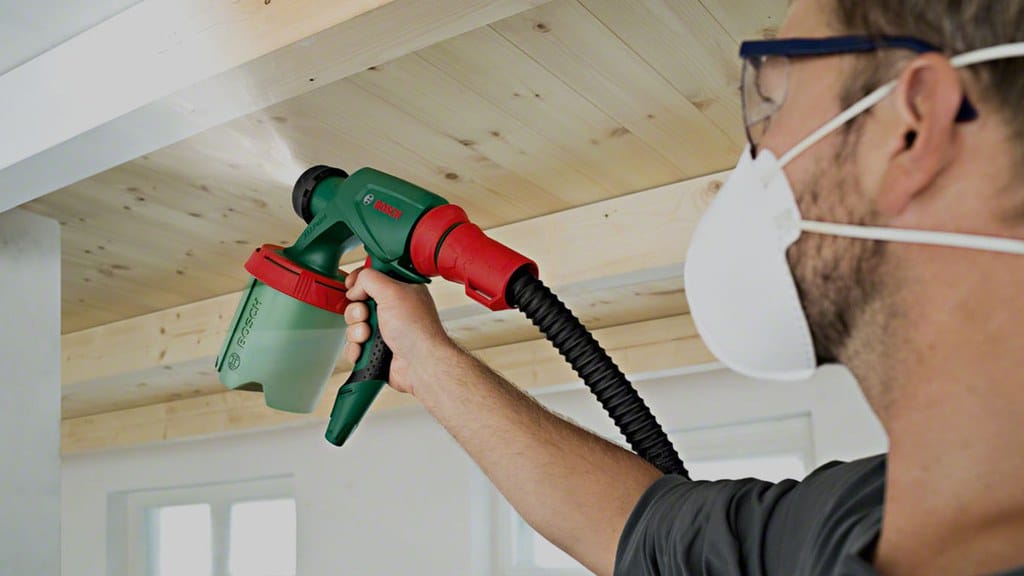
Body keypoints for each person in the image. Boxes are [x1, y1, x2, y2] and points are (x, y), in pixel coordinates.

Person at [341, 0, 1024, 574]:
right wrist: (426, 360)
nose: (756, 150)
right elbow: (633, 527)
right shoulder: (855, 520)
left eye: (775, 90)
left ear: (908, 128)